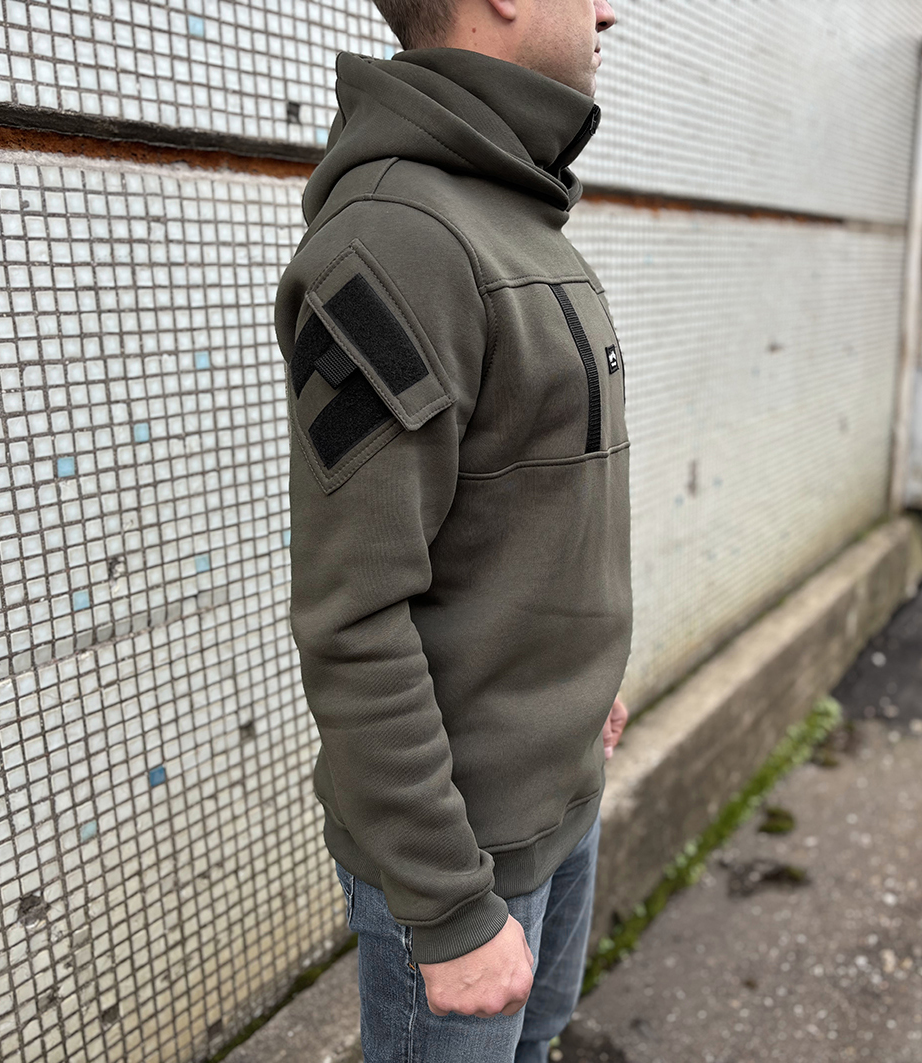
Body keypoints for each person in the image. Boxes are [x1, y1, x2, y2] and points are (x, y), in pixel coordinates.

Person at [273, 1, 628, 1059]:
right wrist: (448, 906)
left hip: (560, 792)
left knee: (540, 1039)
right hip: (467, 854)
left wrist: (580, 696)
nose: (609, 10)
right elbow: (353, 616)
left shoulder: (510, 209)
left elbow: (529, 514)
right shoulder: (399, 241)